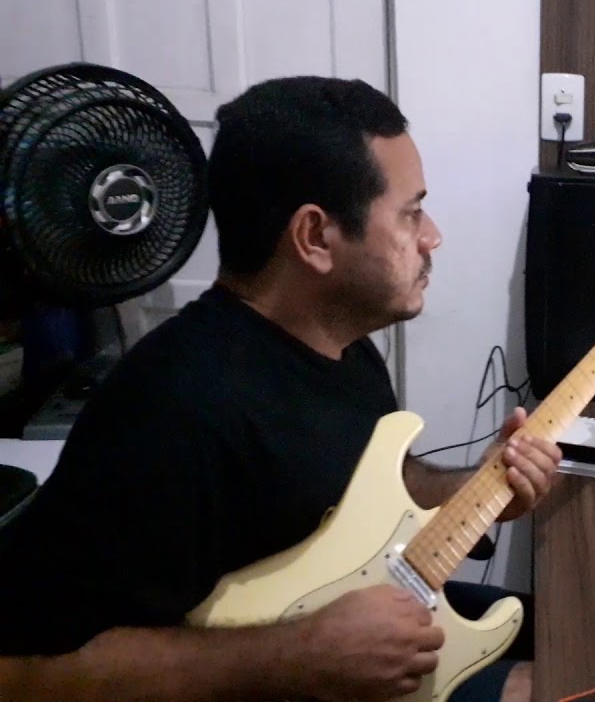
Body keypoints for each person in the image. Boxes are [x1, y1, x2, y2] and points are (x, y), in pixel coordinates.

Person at [0, 76, 562, 702]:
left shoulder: (344, 345)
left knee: (578, 630)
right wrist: (300, 655)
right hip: (283, 675)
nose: (432, 236)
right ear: (315, 237)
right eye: (410, 213)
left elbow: (368, 489)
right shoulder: (172, 410)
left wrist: (480, 488)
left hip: (358, 630)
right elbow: (20, 673)